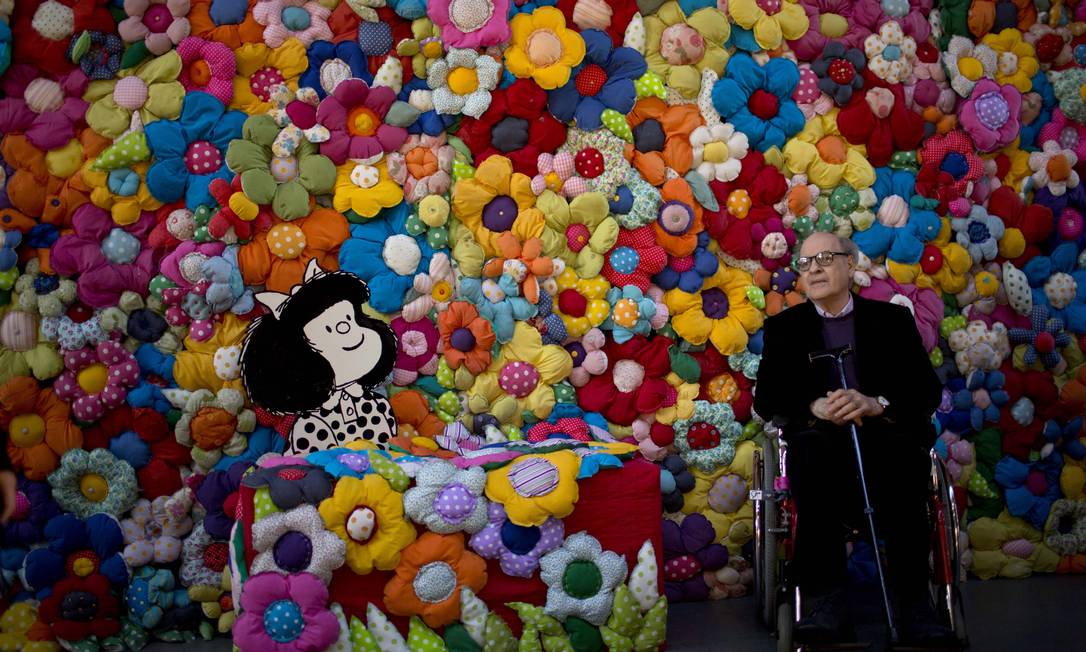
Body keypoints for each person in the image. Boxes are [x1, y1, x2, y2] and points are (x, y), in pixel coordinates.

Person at [754, 232, 954, 645]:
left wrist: (875, 402)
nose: (814, 269)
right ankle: (828, 600)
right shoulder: (783, 329)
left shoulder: (893, 321)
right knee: (811, 456)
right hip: (820, 443)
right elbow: (767, 397)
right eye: (806, 263)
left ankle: (915, 603)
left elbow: (925, 391)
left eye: (825, 258)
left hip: (884, 439)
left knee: (905, 458)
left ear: (851, 264)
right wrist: (814, 406)